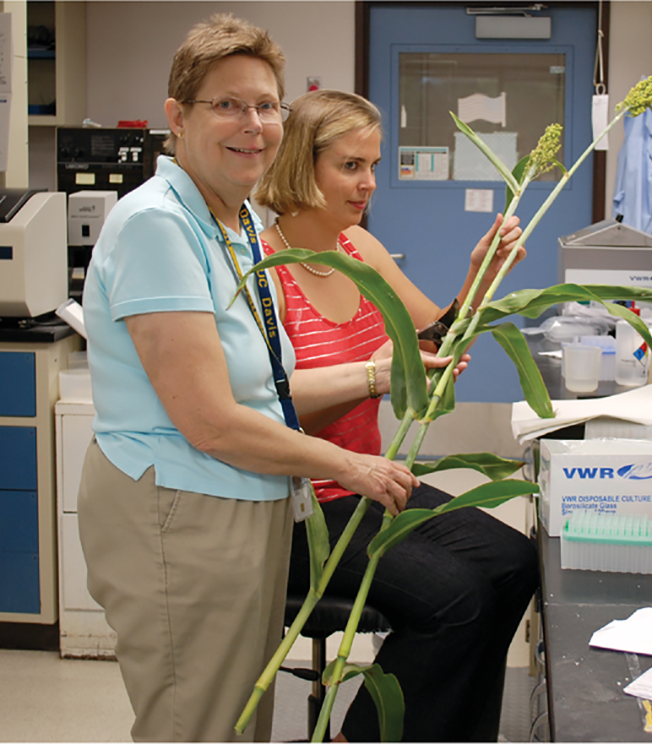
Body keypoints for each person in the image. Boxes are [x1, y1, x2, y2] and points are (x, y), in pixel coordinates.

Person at [77, 18, 419, 743]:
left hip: (249, 500)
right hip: (182, 511)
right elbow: (210, 420)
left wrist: (373, 376)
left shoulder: (230, 224)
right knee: (197, 725)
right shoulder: (157, 226)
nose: (254, 125)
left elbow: (268, 388)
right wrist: (347, 463)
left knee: (240, 722)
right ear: (177, 116)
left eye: (267, 106)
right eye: (227, 105)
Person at [253, 89, 540, 742]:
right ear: (302, 165)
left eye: (373, 166)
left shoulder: (358, 249)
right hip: (302, 506)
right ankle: (356, 736)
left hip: (371, 482)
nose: (368, 184)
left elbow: (434, 338)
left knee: (513, 562)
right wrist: (370, 375)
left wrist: (479, 277)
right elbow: (265, 403)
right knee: (455, 600)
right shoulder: (266, 271)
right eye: (351, 166)